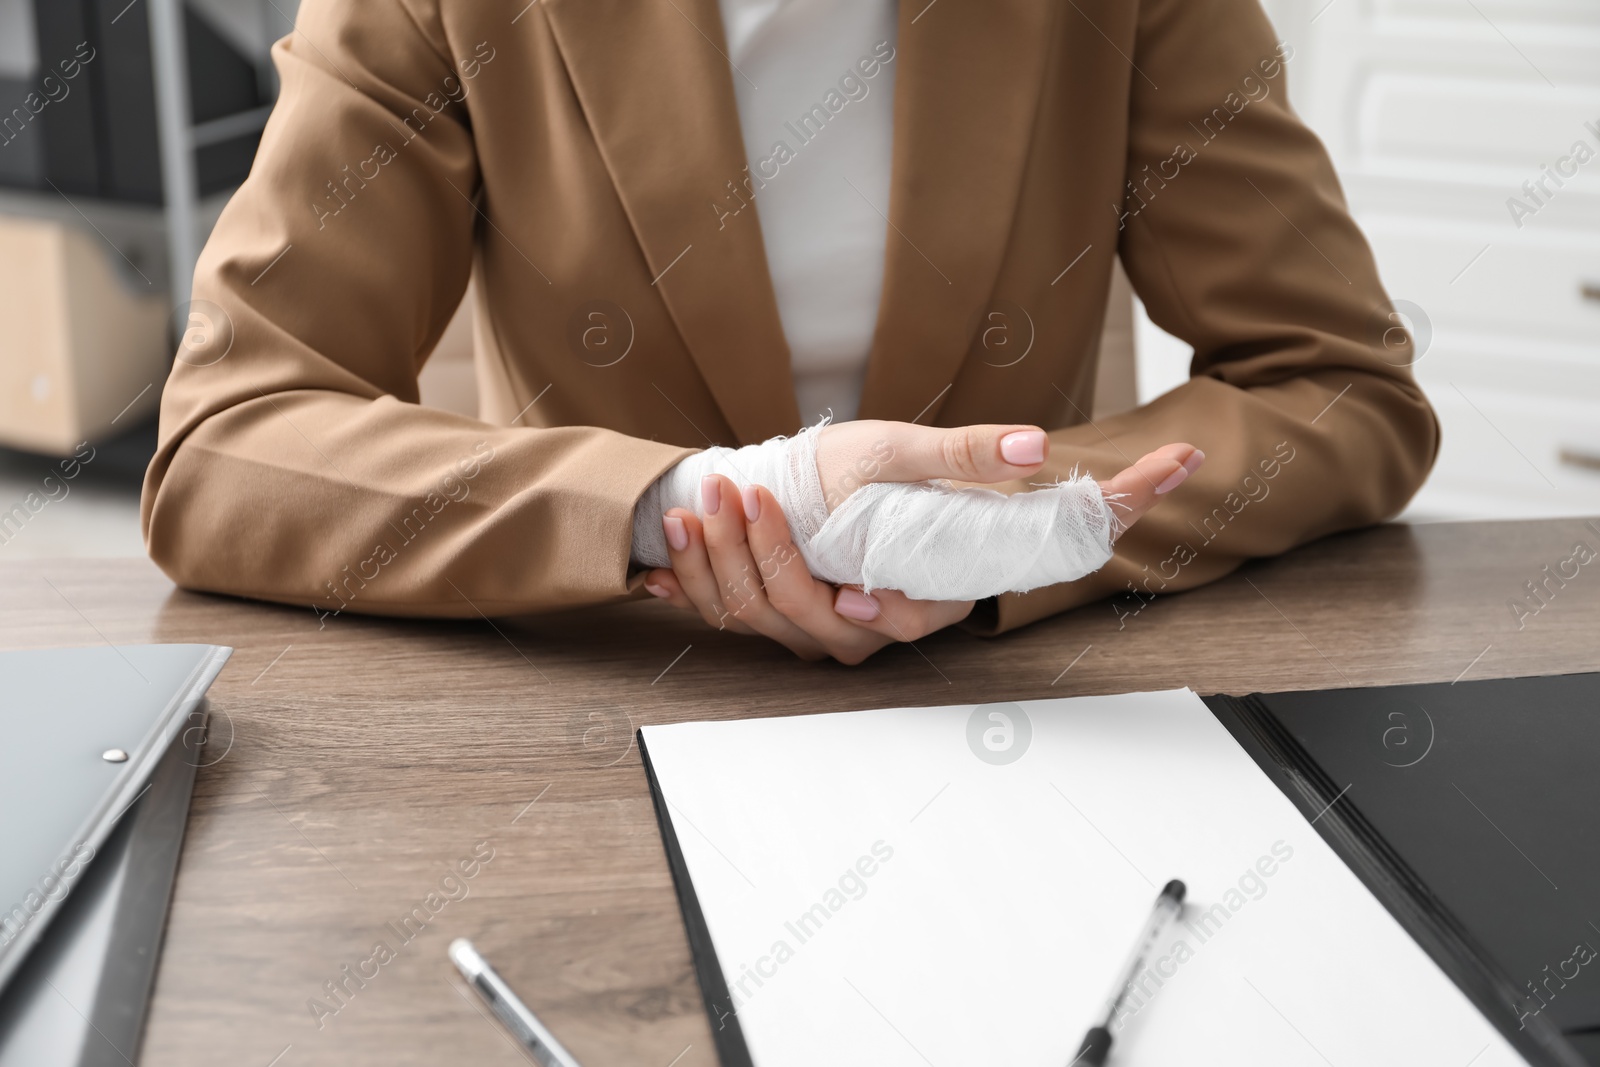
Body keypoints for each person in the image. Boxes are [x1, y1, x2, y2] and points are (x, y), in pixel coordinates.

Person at [140, 0, 1436, 664]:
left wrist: (1025, 535)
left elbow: (1339, 385)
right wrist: (692, 504)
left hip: (1003, 714)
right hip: (600, 696)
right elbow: (228, 440)